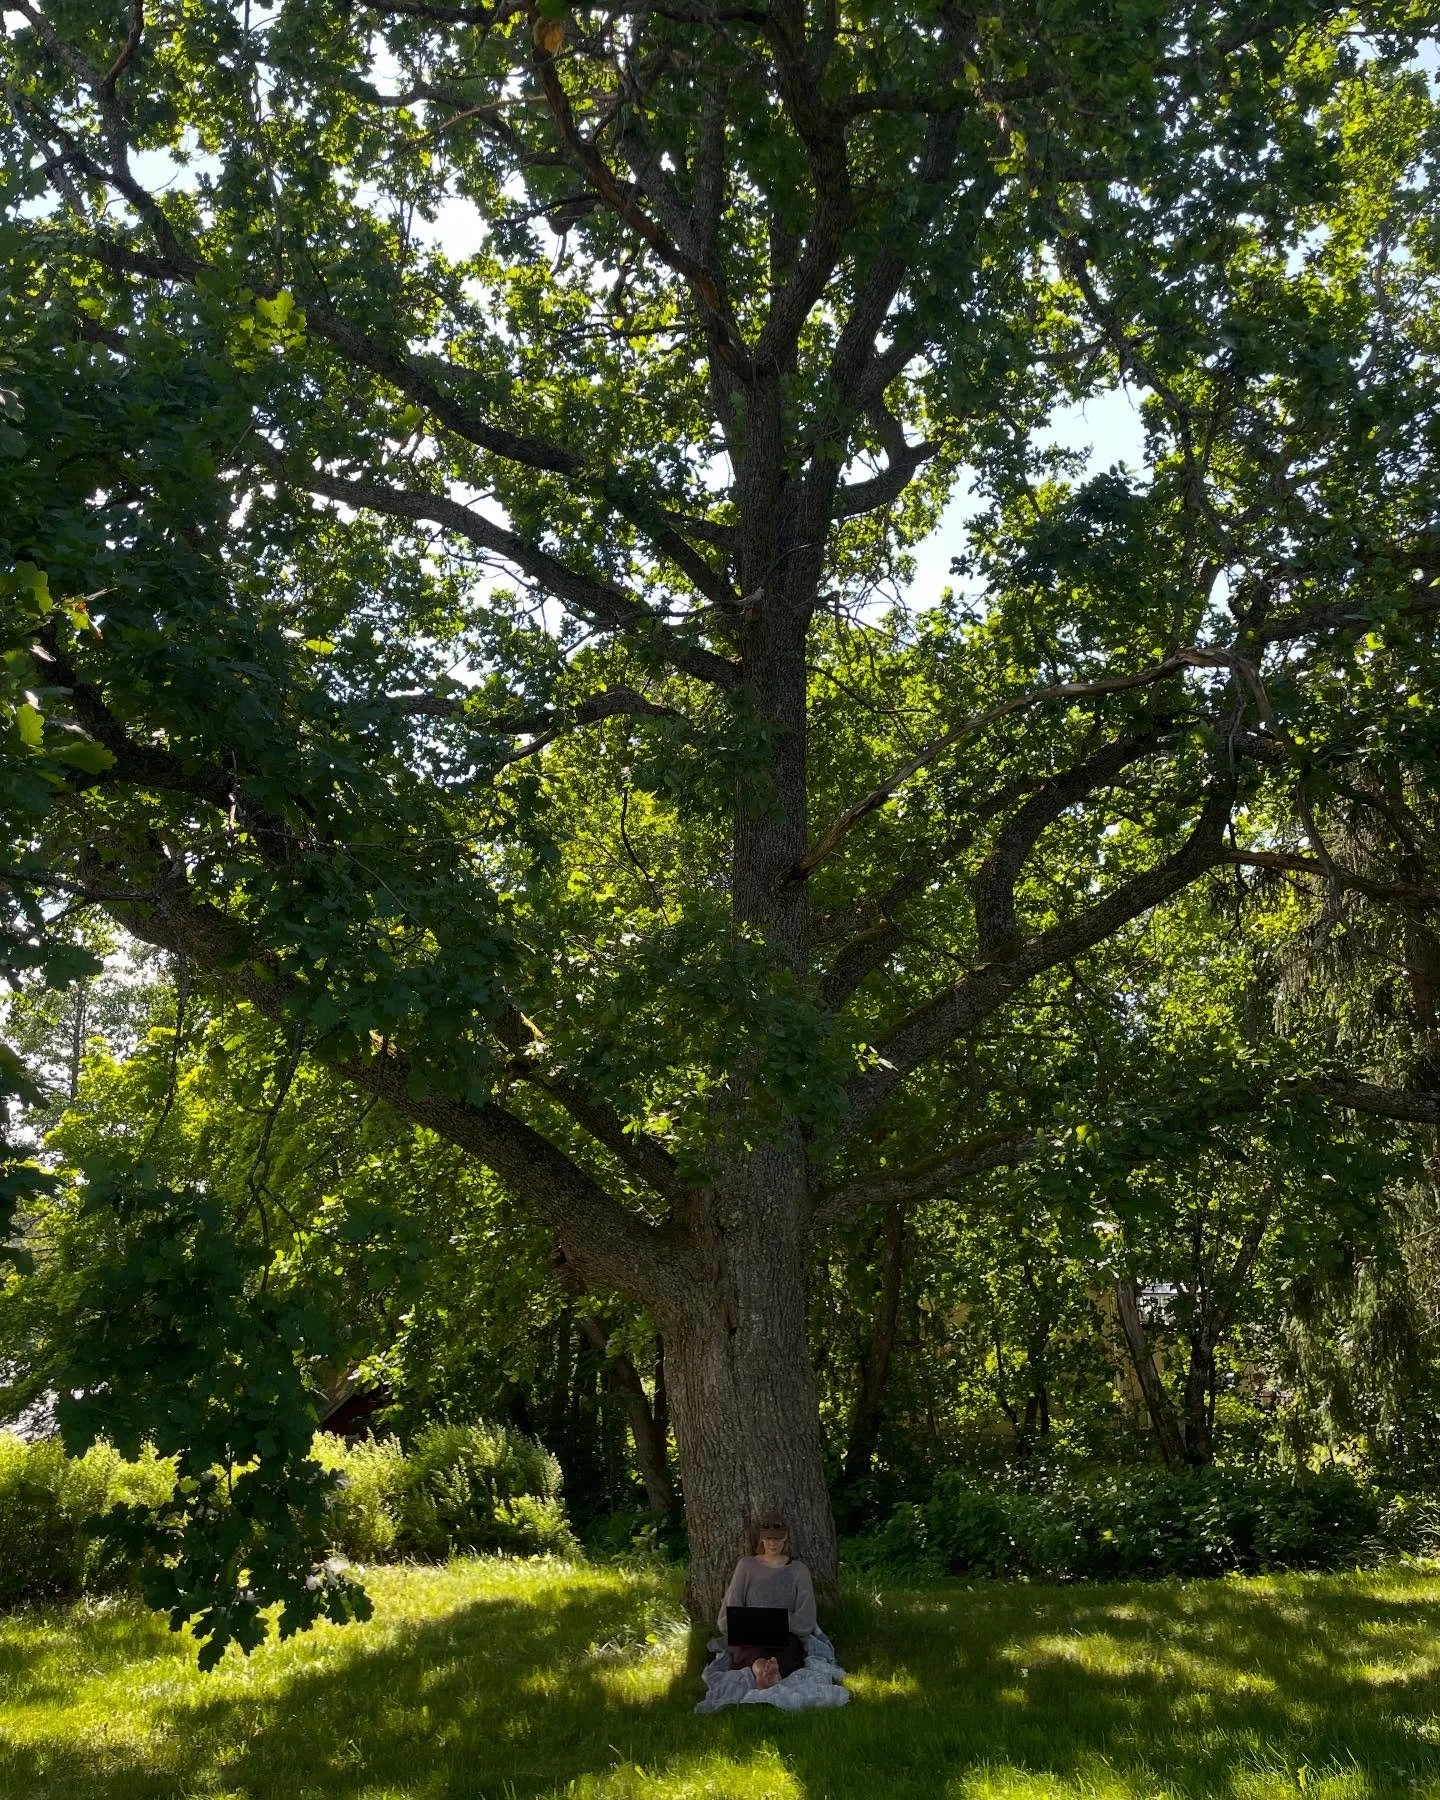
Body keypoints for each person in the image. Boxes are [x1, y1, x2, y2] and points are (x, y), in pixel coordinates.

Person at [717, 1512, 817, 1689]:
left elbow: (806, 1613)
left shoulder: (798, 1570)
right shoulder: (747, 1565)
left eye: (777, 1538)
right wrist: (739, 1624)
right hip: (751, 1633)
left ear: (785, 1538)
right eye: (768, 1538)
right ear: (761, 1539)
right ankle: (763, 1670)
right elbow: (732, 1604)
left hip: (786, 1632)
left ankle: (772, 1672)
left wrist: (784, 1620)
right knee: (752, 1650)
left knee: (787, 1650)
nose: (773, 1543)